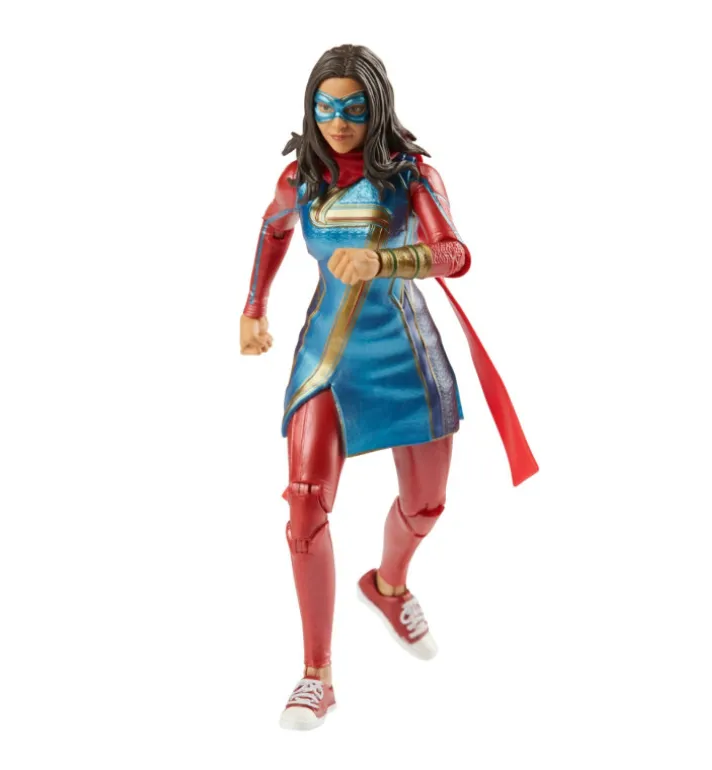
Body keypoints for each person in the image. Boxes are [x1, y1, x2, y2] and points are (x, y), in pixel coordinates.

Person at [240, 44, 537, 730]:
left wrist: (384, 259)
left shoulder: (412, 176)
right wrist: (254, 305)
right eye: (325, 107)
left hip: (406, 356)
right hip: (325, 358)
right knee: (304, 508)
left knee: (426, 505)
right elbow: (272, 229)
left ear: (376, 108)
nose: (337, 122)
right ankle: (317, 674)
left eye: (352, 108)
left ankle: (388, 585)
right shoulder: (300, 178)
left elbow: (455, 254)